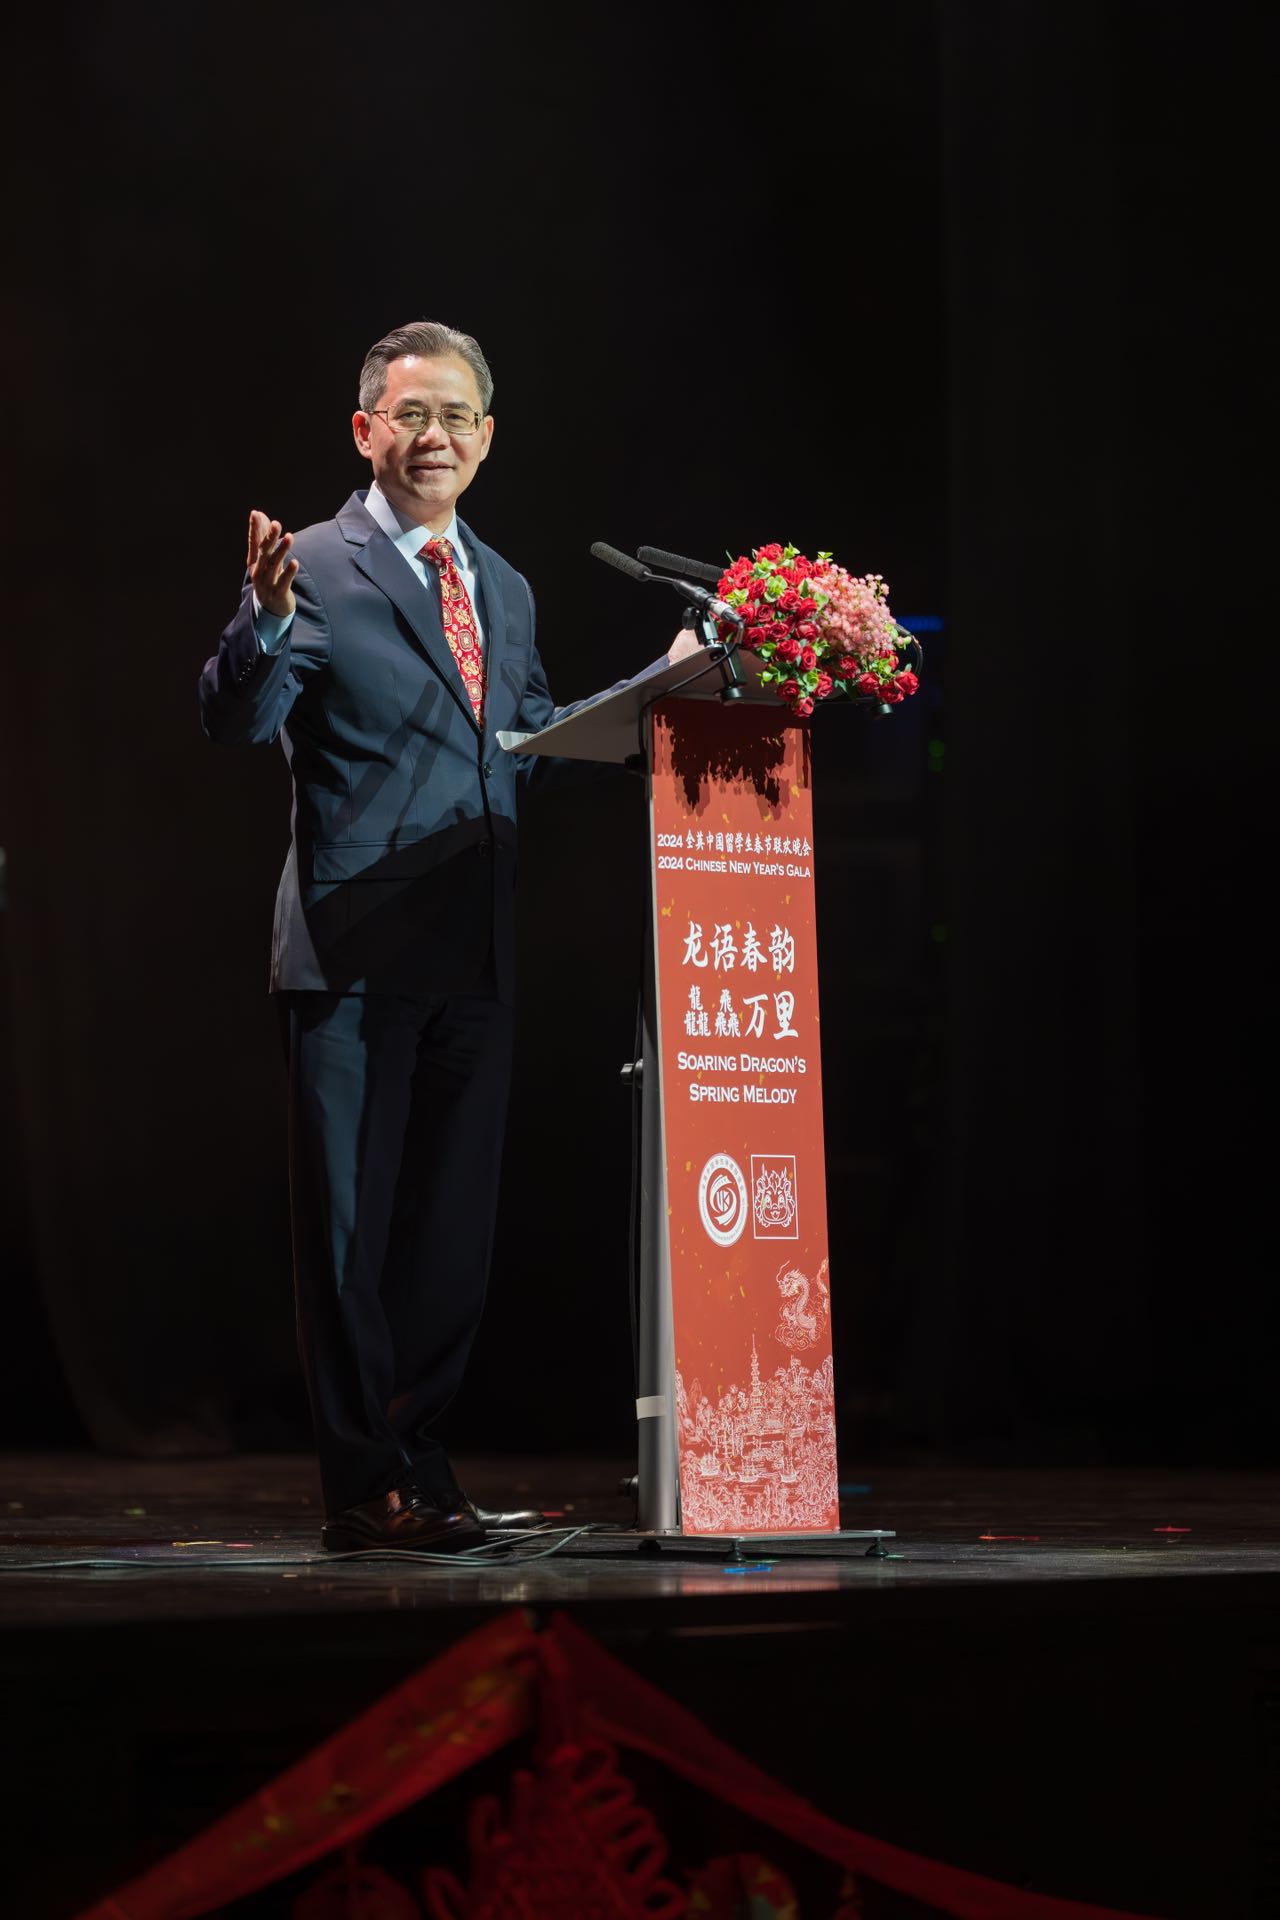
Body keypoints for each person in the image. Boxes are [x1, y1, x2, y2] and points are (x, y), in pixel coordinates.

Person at [200, 320, 696, 1553]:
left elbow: (523, 749)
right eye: (411, 414)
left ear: (487, 438)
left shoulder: (504, 586)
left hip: (472, 951)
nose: (435, 436)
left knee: (447, 1247)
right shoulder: (315, 565)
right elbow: (235, 719)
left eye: (456, 416)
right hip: (352, 954)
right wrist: (263, 623)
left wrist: (660, 692)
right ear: (365, 430)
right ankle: (364, 1483)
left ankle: (418, 1470)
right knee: (351, 1240)